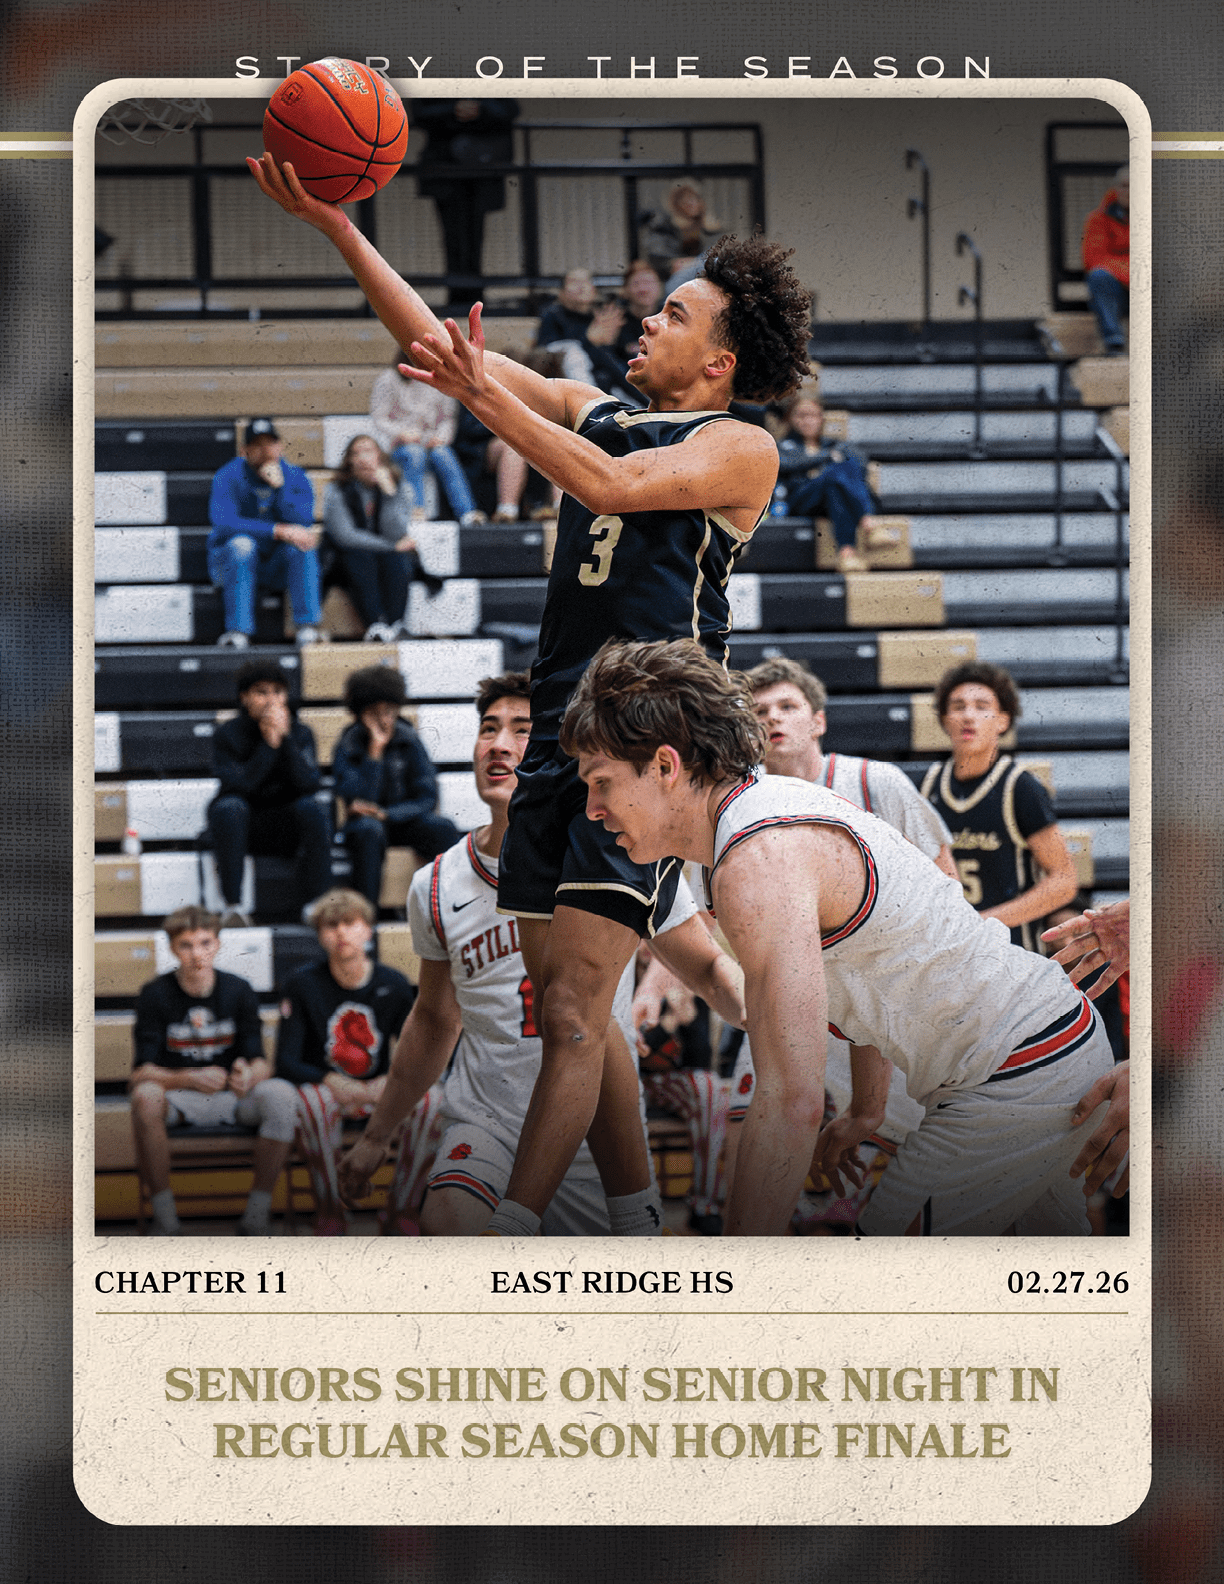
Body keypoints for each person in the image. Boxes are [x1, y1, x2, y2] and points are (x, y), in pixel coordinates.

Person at [247, 150, 812, 1242]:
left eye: (675, 314)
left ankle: (515, 1225)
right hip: (564, 730)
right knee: (569, 1011)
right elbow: (438, 348)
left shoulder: (741, 446)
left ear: (719, 358)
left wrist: (478, 397)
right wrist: (341, 229)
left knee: (567, 1012)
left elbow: (605, 488)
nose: (647, 321)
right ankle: (641, 1213)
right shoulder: (592, 406)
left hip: (655, 745)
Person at [562, 637, 1116, 1237]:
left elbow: (790, 1102)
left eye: (602, 782)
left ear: (666, 767)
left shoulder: (757, 857)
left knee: (880, 1291)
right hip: (1034, 1051)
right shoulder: (747, 826)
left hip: (1018, 1069)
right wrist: (866, 1109)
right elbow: (869, 963)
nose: (593, 808)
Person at [337, 672, 746, 1234]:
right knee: (449, 1226)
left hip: (594, 1138)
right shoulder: (435, 883)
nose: (499, 744)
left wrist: (773, 1015)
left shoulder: (621, 860)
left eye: (522, 730)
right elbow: (433, 1019)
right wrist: (378, 1135)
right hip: (486, 1124)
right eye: (488, 728)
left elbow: (709, 968)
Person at [127, 906, 298, 1237]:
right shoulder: (155, 994)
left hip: (231, 1098)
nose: (197, 954)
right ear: (172, 948)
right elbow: (140, 1073)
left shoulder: (239, 989)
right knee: (145, 1097)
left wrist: (248, 1075)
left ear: (218, 944)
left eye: (205, 943)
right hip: (178, 1099)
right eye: (186, 945)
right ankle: (166, 1219)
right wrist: (187, 1078)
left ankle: (257, 1214)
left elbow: (262, 1062)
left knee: (281, 1093)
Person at [276, 888, 433, 1235]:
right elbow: (285, 1062)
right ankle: (331, 1209)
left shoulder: (392, 983)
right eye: (331, 926)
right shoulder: (302, 984)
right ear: (320, 934)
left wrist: (391, 1082)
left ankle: (402, 1210)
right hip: (332, 1094)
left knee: (431, 1099)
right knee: (312, 1100)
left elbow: (418, 1051)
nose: (342, 933)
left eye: (350, 923)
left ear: (368, 929)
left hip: (381, 1093)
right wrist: (331, 1080)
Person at [921, 661, 1078, 952]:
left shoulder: (1020, 787)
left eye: (982, 706)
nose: (969, 715)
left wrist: (985, 923)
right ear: (944, 719)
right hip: (947, 952)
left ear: (1003, 721)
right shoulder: (926, 786)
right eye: (958, 706)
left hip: (1012, 953)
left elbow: (1064, 880)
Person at [205, 658, 332, 928]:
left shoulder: (301, 732)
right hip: (243, 826)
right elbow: (239, 785)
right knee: (229, 807)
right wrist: (269, 745)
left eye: (277, 692)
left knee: (314, 807)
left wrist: (285, 741)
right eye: (261, 692)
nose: (271, 700)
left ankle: (318, 903)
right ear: (245, 697)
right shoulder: (227, 734)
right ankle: (233, 906)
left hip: (286, 826)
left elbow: (309, 783)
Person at [333, 664, 461, 907]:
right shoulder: (348, 743)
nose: (383, 719)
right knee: (369, 830)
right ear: (359, 713)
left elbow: (427, 797)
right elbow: (355, 797)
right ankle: (366, 912)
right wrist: (375, 753)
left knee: (442, 827)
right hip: (364, 827)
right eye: (374, 712)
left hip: (400, 819)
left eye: (389, 711)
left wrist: (387, 814)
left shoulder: (408, 739)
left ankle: (450, 905)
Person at [207, 417, 322, 648]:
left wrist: (280, 489)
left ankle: (307, 627)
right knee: (242, 545)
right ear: (244, 450)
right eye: (257, 445)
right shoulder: (227, 476)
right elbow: (223, 523)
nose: (265, 451)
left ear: (279, 446)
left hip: (275, 565)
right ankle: (238, 632)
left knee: (302, 543)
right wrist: (276, 530)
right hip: (233, 564)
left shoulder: (295, 476)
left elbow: (303, 522)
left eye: (270, 444)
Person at [321, 434, 445, 642]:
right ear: (349, 461)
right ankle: (376, 624)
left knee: (399, 557)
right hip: (346, 560)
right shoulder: (337, 490)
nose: (362, 458)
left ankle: (394, 624)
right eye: (356, 453)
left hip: (387, 558)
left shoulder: (401, 488)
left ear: (380, 456)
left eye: (368, 451)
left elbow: (396, 532)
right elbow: (345, 537)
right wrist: (391, 546)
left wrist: (389, 494)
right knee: (362, 555)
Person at [412, 98, 519, 308]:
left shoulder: (491, 77)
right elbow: (419, 112)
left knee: (475, 235)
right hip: (444, 169)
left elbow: (510, 109)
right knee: (452, 236)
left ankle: (474, 297)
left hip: (482, 168)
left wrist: (479, 109)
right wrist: (454, 110)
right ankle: (458, 297)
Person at [368, 356, 486, 529]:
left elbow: (448, 419)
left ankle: (467, 513)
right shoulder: (389, 379)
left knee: (443, 453)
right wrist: (402, 433)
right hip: (399, 447)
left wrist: (440, 437)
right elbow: (379, 418)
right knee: (414, 453)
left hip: (430, 444)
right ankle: (417, 512)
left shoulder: (441, 380)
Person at [776, 395, 880, 575]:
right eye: (801, 415)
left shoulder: (833, 444)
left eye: (813, 415)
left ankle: (847, 553)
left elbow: (860, 464)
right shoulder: (784, 446)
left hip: (831, 500)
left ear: (821, 418)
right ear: (791, 419)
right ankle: (868, 522)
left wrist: (823, 463)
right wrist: (827, 459)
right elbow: (785, 464)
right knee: (834, 473)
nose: (807, 421)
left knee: (834, 485)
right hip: (801, 502)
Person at [1082, 164, 1130, 356]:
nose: (1129, 191)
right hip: (1118, 295)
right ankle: (1114, 344)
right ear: (1116, 189)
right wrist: (1131, 274)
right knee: (1099, 277)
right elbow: (1094, 259)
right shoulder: (1097, 219)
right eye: (1124, 186)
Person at [639, 179, 721, 284]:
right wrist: (675, 264)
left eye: (693, 197)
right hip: (673, 281)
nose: (689, 202)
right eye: (683, 198)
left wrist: (694, 263)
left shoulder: (711, 229)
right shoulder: (663, 228)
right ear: (674, 203)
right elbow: (660, 261)